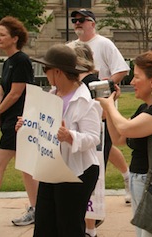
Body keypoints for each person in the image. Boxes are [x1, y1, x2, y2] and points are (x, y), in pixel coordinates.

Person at [96, 50, 152, 237]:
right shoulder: (145, 109)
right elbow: (119, 139)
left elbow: (126, 128)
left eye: (136, 77)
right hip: (144, 181)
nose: (132, 83)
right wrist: (108, 115)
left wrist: (110, 106)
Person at [28, 44, 101, 236]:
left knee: (68, 226)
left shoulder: (85, 100)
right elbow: (42, 128)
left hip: (77, 171)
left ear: (58, 72)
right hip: (51, 168)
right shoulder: (51, 95)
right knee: (44, 225)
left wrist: (70, 136)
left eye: (46, 69)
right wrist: (26, 126)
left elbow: (94, 137)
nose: (45, 74)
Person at [68, 9, 132, 204]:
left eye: (82, 20)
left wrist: (102, 88)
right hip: (77, 106)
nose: (77, 23)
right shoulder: (70, 46)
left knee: (102, 146)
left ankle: (93, 205)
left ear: (92, 23)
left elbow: (121, 70)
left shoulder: (104, 44)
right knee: (100, 146)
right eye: (74, 20)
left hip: (101, 106)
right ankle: (127, 176)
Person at [0, 16, 38, 226]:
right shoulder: (9, 62)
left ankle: (38, 209)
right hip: (10, 121)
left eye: (2, 34)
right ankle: (38, 210)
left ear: (15, 38)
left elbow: (16, 93)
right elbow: (3, 89)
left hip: (19, 122)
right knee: (26, 168)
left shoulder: (21, 60)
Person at [70, 42, 102, 237]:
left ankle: (90, 229)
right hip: (89, 140)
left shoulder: (87, 82)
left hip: (90, 141)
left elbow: (103, 111)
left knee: (89, 191)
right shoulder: (92, 80)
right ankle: (90, 229)